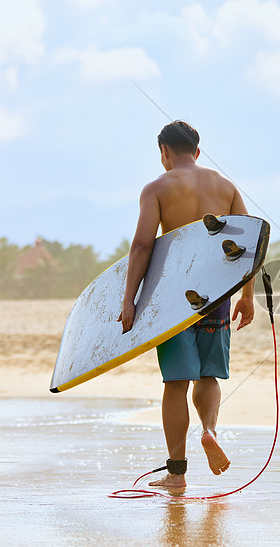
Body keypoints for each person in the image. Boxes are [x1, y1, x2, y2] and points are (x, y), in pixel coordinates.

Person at [117, 120, 255, 489]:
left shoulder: (157, 189)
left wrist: (128, 300)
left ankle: (176, 475)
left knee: (176, 383)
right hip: (219, 295)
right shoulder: (225, 186)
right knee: (209, 375)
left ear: (164, 152)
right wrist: (248, 296)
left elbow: (143, 246)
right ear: (197, 150)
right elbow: (248, 245)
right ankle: (209, 430)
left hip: (173, 298)